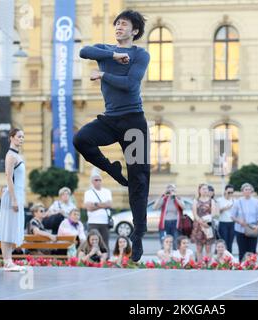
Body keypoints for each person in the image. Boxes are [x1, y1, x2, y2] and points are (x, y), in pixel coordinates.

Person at [74, 9, 150, 263]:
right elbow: (85, 52)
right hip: (110, 119)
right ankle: (112, 170)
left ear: (135, 31)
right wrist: (113, 55)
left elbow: (130, 84)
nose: (118, 27)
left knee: (139, 178)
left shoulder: (140, 54)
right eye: (116, 23)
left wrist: (105, 74)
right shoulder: (105, 50)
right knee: (81, 139)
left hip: (133, 122)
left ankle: (138, 234)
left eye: (124, 24)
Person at [0, 128, 27, 272]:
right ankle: (7, 262)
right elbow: (8, 177)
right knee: (7, 227)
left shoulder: (17, 156)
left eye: (23, 137)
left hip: (18, 195)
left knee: (12, 227)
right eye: (19, 136)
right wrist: (14, 199)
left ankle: (9, 260)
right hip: (12, 196)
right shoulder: (10, 156)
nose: (22, 139)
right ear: (11, 137)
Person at [231, 183, 258, 261]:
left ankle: (252, 267)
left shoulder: (256, 202)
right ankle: (241, 267)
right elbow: (232, 216)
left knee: (252, 250)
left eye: (249, 189)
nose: (248, 191)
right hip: (240, 229)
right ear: (242, 191)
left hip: (253, 229)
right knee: (242, 251)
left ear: (252, 191)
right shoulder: (237, 202)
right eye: (246, 189)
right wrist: (239, 221)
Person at [84, 173, 113, 248]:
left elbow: (109, 204)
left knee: (105, 243)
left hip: (105, 222)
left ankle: (106, 258)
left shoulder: (107, 192)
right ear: (92, 182)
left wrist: (95, 204)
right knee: (92, 243)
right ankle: (92, 258)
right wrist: (103, 205)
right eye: (96, 180)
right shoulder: (88, 193)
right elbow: (89, 208)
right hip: (93, 222)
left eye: (100, 180)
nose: (98, 181)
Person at [190, 184, 218, 262]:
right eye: (203, 189)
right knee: (199, 248)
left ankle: (208, 265)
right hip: (198, 226)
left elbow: (213, 214)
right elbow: (195, 214)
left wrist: (207, 223)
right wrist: (201, 223)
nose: (205, 190)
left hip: (208, 226)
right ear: (199, 190)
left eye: (206, 189)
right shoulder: (196, 201)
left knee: (208, 248)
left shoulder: (211, 201)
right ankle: (199, 265)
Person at [153, 184, 185, 248]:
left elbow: (183, 207)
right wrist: (162, 196)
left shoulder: (178, 198)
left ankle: (175, 257)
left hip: (176, 223)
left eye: (172, 189)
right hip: (164, 223)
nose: (170, 191)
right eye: (169, 189)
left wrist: (175, 197)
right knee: (164, 242)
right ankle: (165, 256)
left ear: (175, 190)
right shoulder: (164, 198)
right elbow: (155, 207)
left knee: (175, 243)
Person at [217, 184, 236, 253]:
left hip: (232, 223)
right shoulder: (220, 200)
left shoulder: (234, 201)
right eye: (229, 192)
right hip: (223, 222)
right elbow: (216, 212)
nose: (230, 194)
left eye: (232, 192)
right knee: (223, 242)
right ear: (225, 191)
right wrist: (224, 208)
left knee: (230, 242)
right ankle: (222, 258)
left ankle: (229, 259)